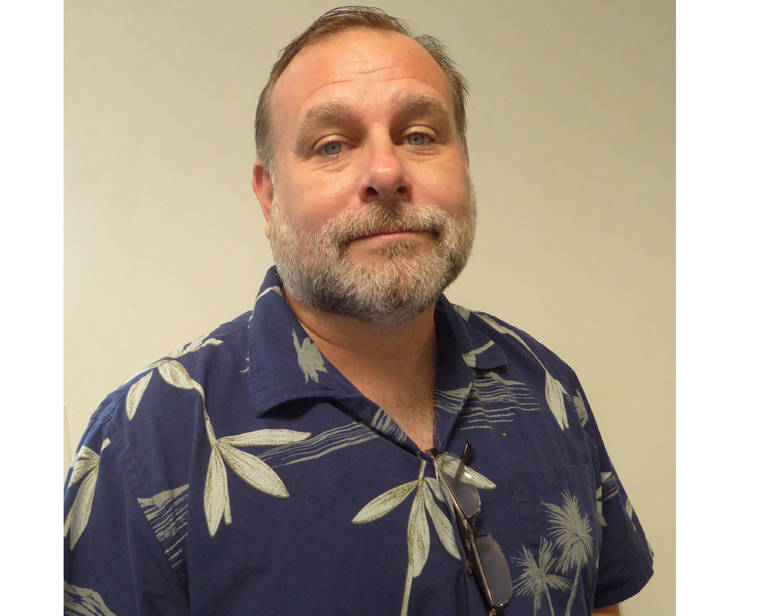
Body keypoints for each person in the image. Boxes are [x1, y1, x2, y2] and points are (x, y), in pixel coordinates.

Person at [64, 7, 653, 615]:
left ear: (465, 162)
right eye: (332, 145)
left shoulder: (549, 388)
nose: (387, 172)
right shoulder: (147, 440)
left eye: (419, 136)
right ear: (269, 195)